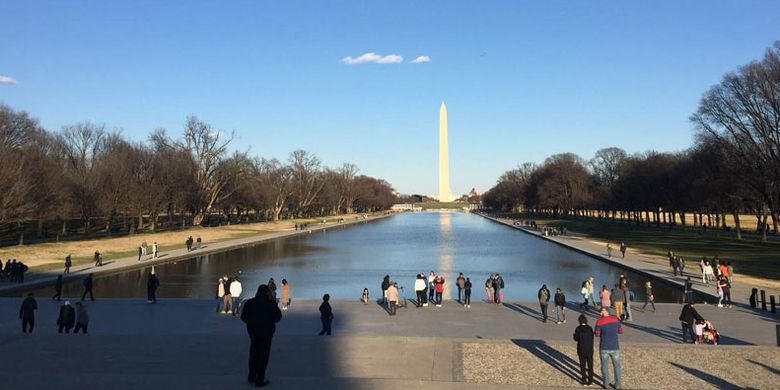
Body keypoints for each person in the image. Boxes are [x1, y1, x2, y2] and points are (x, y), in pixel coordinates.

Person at [241, 285, 282, 387]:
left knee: (253, 355)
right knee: (263, 357)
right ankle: (260, 379)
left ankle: (251, 376)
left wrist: (251, 323)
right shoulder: (270, 303)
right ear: (267, 293)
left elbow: (243, 317)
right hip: (266, 334)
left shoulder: (250, 303)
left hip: (253, 333)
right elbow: (278, 317)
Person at [595, 308, 623, 390]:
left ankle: (606, 384)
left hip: (604, 347)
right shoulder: (616, 320)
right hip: (615, 346)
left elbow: (597, 334)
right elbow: (621, 331)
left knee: (604, 366)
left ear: (606, 312)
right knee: (617, 366)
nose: (600, 312)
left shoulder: (599, 321)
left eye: (602, 310)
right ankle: (618, 384)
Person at [573, 314, 594, 386]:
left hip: (581, 349)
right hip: (589, 349)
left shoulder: (578, 328)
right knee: (590, 366)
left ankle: (584, 381)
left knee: (583, 366)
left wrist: (574, 335)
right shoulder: (590, 328)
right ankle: (590, 381)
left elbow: (576, 339)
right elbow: (592, 338)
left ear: (579, 321)